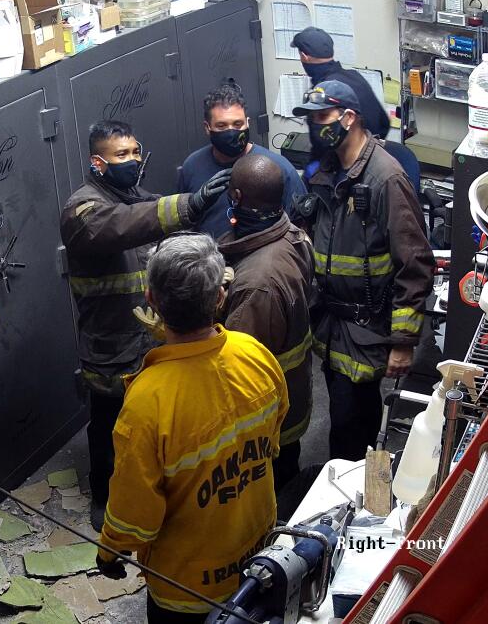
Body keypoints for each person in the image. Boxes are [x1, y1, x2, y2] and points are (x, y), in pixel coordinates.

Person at [95, 233, 288, 622]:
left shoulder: (148, 400)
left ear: (151, 300)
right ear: (220, 297)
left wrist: (111, 550)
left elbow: (135, 509)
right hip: (257, 557)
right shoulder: (255, 354)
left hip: (187, 590)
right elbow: (277, 427)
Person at [60, 120, 230, 531]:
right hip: (111, 342)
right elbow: (124, 224)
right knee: (110, 425)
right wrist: (187, 205)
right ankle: (104, 495)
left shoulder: (135, 195)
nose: (133, 161)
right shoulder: (82, 209)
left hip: (149, 336)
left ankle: (155, 490)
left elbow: (151, 213)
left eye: (136, 152)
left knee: (154, 422)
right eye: (122, 155)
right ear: (98, 163)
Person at [292, 81, 434, 461]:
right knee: (342, 415)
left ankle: (354, 492)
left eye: (322, 117)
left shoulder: (385, 178)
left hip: (367, 329)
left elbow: (416, 263)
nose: (313, 126)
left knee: (355, 424)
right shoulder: (326, 170)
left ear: (349, 118)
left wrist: (403, 341)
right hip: (332, 323)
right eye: (310, 118)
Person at [218, 153, 315, 494]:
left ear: (237, 198)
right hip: (290, 396)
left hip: (266, 421)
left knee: (269, 493)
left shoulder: (257, 284)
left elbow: (235, 369)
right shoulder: (292, 236)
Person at [177, 83, 306, 237]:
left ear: (247, 123)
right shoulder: (192, 166)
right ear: (207, 127)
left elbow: (301, 227)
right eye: (222, 126)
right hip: (210, 257)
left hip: (262, 257)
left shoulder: (277, 167)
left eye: (238, 124)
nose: (231, 132)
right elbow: (182, 221)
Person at [291, 27, 391, 140]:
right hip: (374, 149)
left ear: (304, 56)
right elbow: (384, 123)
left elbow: (321, 139)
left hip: (347, 155)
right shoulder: (354, 76)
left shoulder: (323, 90)